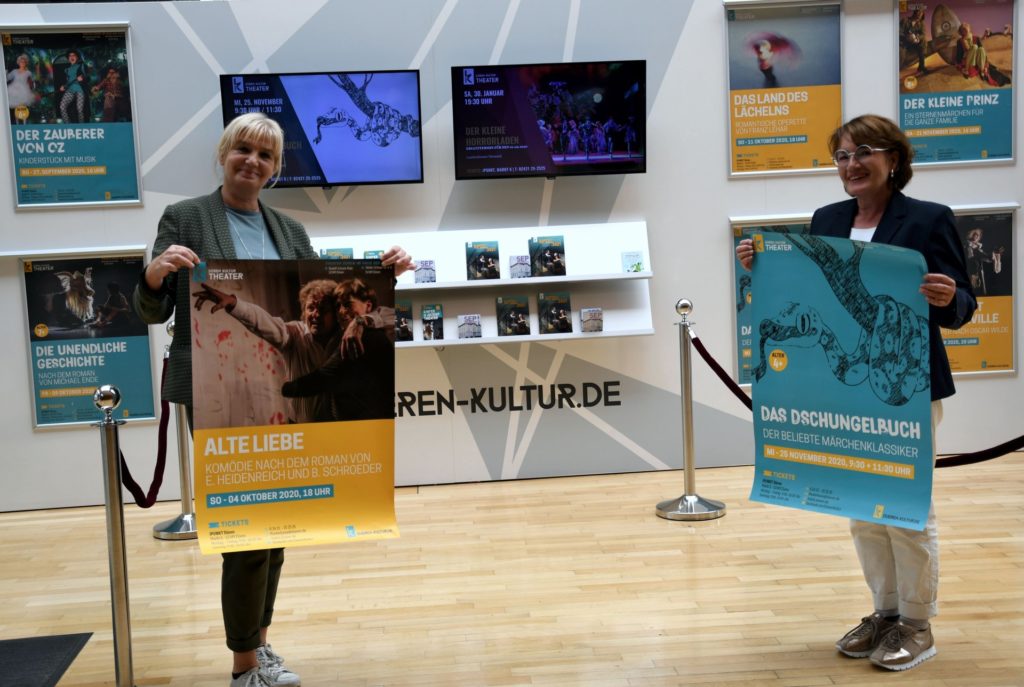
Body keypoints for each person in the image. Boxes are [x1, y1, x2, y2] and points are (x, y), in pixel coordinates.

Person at [132, 112, 413, 687]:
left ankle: (261, 648)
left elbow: (337, 300)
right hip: (219, 397)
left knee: (279, 525)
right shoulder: (185, 217)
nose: (252, 162)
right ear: (223, 153)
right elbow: (152, 310)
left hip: (280, 403)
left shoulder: (290, 232)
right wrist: (156, 276)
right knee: (246, 532)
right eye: (243, 149)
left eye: (265, 155)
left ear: (277, 168)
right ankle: (243, 667)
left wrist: (384, 276)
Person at [736, 114, 976, 672]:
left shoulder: (928, 220)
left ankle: (918, 624)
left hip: (906, 385)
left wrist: (948, 298)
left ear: (894, 160)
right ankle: (884, 613)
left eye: (863, 152)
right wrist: (761, 266)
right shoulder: (828, 218)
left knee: (907, 507)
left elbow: (963, 305)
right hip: (844, 383)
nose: (851, 165)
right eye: (842, 155)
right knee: (861, 507)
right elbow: (808, 288)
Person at [191, 278, 342, 423]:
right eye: (311, 308)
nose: (315, 314)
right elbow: (262, 321)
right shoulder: (294, 334)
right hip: (301, 430)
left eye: (323, 309)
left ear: (336, 313)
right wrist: (234, 304)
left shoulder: (348, 336)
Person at [281, 278, 394, 422]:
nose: (341, 311)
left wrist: (287, 388)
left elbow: (325, 376)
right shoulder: (357, 333)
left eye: (347, 305)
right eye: (337, 306)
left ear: (368, 306)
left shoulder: (362, 336)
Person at [963, 227, 1004, 296]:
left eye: (978, 235)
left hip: (978, 273)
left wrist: (996, 255)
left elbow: (987, 258)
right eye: (974, 234)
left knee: (980, 292)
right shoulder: (967, 245)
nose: (976, 236)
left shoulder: (978, 246)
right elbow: (972, 257)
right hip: (970, 272)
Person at [58, 50, 89, 123]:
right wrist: (63, 86)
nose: (71, 57)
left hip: (80, 90)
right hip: (70, 90)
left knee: (80, 109)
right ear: (68, 58)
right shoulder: (67, 70)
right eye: (70, 56)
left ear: (77, 57)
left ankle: (81, 126)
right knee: (62, 106)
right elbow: (68, 81)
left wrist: (82, 78)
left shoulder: (82, 66)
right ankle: (68, 125)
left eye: (73, 55)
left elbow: (88, 77)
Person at [6, 53, 36, 123]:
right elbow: (8, 78)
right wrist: (6, 72)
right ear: (18, 63)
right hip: (14, 90)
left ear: (26, 63)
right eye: (21, 62)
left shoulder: (28, 72)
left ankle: (24, 123)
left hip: (24, 90)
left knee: (23, 107)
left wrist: (33, 87)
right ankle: (17, 124)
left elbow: (33, 80)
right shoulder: (14, 71)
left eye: (24, 62)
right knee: (16, 107)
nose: (22, 63)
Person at [899, 8, 927, 76]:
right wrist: (907, 37)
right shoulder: (904, 20)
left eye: (921, 13)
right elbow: (898, 32)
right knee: (900, 52)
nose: (919, 14)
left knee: (923, 41)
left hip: (915, 43)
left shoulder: (921, 23)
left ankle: (921, 67)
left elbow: (923, 34)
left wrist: (917, 38)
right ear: (915, 12)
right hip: (904, 43)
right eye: (918, 12)